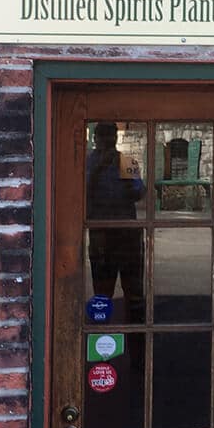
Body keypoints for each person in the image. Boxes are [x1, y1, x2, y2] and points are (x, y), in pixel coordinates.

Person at [86, 122, 146, 321]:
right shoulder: (88, 163)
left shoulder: (125, 162)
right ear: (96, 140)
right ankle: (100, 331)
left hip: (126, 230)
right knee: (102, 290)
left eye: (110, 137)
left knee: (133, 288)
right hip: (100, 231)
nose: (107, 142)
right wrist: (99, 168)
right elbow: (81, 193)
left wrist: (128, 185)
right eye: (104, 138)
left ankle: (136, 333)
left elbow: (139, 192)